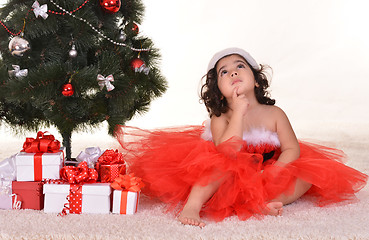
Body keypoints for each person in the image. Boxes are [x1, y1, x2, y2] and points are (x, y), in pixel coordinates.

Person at [116, 48, 368, 228]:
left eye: (240, 66)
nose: (233, 73)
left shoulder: (275, 113)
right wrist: (237, 113)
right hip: (229, 174)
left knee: (307, 175)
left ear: (257, 81)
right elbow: (227, 151)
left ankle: (265, 202)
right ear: (219, 91)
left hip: (267, 172)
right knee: (212, 166)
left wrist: (277, 170)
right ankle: (192, 207)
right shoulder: (221, 116)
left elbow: (292, 148)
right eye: (224, 72)